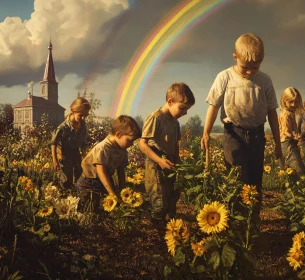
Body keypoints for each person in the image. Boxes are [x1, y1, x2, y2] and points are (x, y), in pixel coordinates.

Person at [201, 33, 282, 216]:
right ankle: (236, 219)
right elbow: (214, 106)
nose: (250, 72)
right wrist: (206, 132)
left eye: (255, 67)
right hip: (233, 135)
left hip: (257, 135)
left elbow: (272, 113)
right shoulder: (225, 77)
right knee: (236, 178)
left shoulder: (264, 80)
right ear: (235, 57)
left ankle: (252, 220)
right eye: (245, 67)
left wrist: (277, 142)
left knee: (255, 179)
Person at [139, 82, 195, 222]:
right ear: (170, 102)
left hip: (169, 163)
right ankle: (157, 230)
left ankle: (170, 227)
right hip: (155, 163)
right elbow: (142, 144)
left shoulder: (175, 122)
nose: (184, 113)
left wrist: (177, 158)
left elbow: (175, 143)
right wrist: (159, 160)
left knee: (172, 196)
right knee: (158, 199)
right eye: (182, 108)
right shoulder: (155, 118)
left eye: (187, 110)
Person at [76, 115, 141, 212]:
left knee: (105, 208)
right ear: (118, 134)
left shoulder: (123, 150)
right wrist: (112, 194)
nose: (131, 144)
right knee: (87, 208)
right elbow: (100, 171)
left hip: (105, 179)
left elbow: (121, 170)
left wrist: (123, 191)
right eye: (130, 141)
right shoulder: (103, 147)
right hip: (89, 181)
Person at [51, 97, 91, 189]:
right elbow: (54, 143)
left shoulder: (82, 125)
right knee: (65, 179)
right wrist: (55, 160)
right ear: (72, 111)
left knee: (78, 177)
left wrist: (84, 157)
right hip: (64, 156)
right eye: (81, 115)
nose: (83, 118)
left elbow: (83, 143)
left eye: (86, 115)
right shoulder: (63, 127)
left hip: (76, 154)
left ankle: (75, 197)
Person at [278, 87, 305, 176]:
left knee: (288, 167)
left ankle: (290, 185)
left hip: (287, 142)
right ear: (284, 101)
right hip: (287, 142)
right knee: (297, 167)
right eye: (291, 102)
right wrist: (295, 136)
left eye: (296, 102)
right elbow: (286, 131)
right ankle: (300, 186)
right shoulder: (286, 115)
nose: (294, 104)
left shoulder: (290, 113)